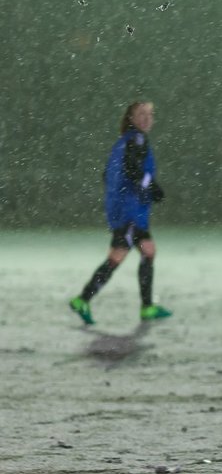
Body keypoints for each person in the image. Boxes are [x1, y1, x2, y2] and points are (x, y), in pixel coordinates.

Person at [69, 101, 172, 325]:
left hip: (125, 211)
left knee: (143, 252)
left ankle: (144, 306)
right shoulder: (137, 139)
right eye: (141, 114)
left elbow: (107, 175)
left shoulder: (123, 142)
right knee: (126, 255)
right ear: (131, 118)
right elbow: (133, 169)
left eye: (150, 114)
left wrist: (120, 196)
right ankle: (85, 300)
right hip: (130, 213)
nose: (147, 118)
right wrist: (151, 186)